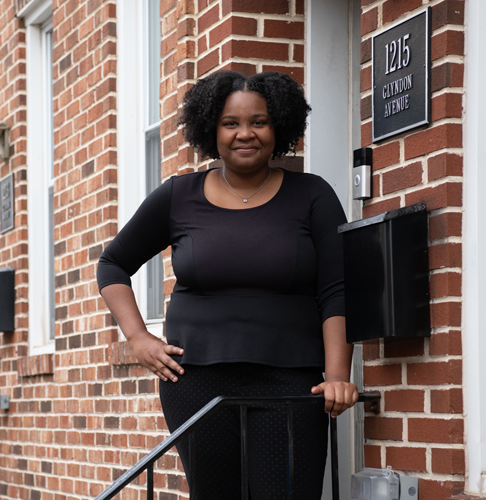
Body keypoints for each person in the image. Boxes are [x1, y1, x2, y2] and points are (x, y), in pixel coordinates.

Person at [96, 70, 359, 499]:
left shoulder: (312, 195)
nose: (245, 134)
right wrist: (137, 338)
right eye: (230, 123)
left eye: (259, 121)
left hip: (292, 384)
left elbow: (337, 290)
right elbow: (112, 265)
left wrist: (336, 375)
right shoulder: (179, 195)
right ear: (210, 129)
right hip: (196, 382)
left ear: (280, 127)